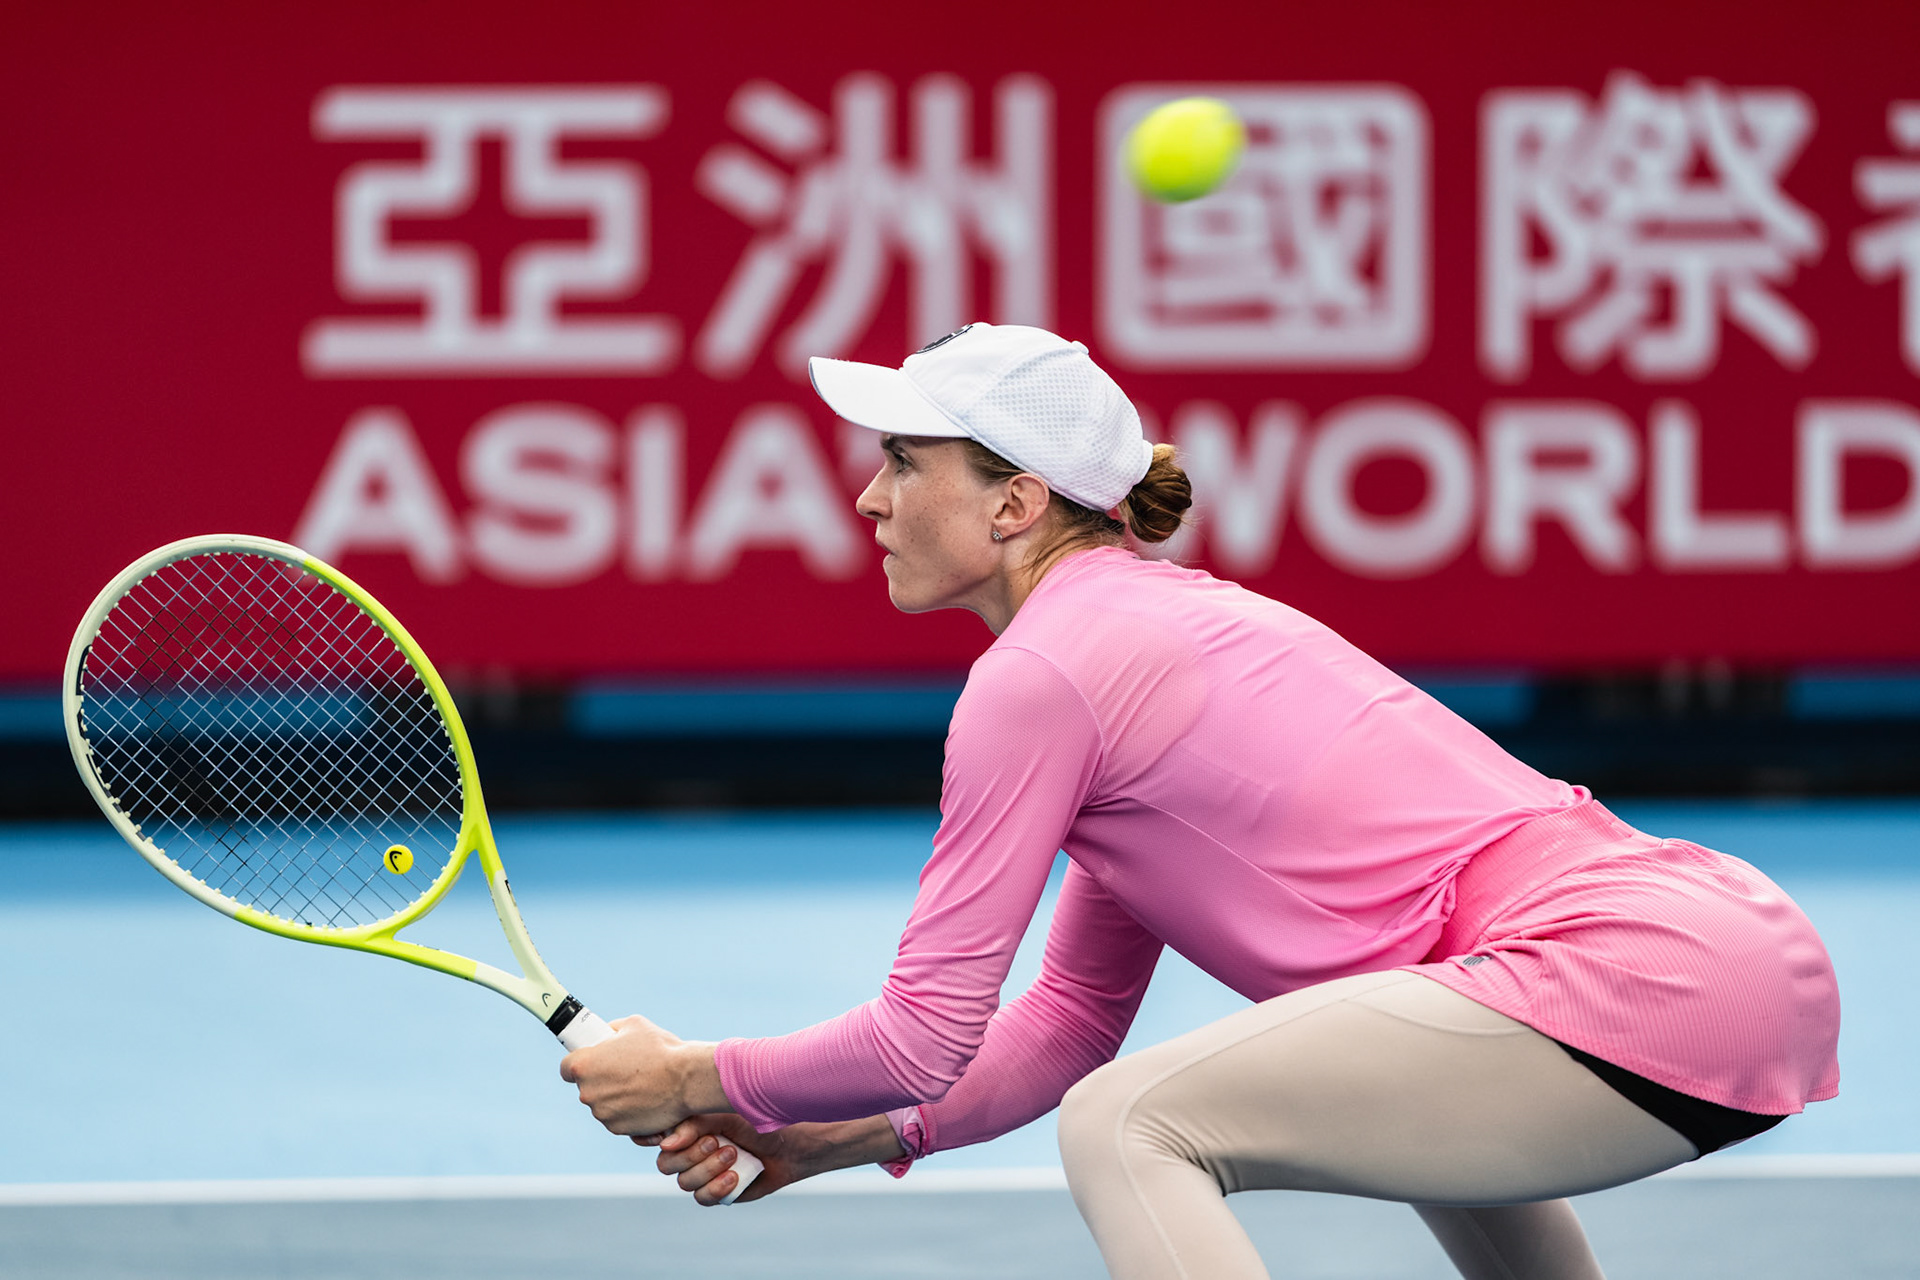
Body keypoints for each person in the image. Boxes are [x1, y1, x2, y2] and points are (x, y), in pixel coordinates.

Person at [559, 323, 1840, 1280]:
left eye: (905, 459)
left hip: (1627, 965)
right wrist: (821, 1136)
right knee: (1414, 1103)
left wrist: (689, 1070)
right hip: (1715, 951)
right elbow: (1062, 1023)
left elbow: (922, 1036)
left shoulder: (1044, 673)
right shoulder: (1148, 633)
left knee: (1128, 1127)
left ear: (1013, 504)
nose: (870, 497)